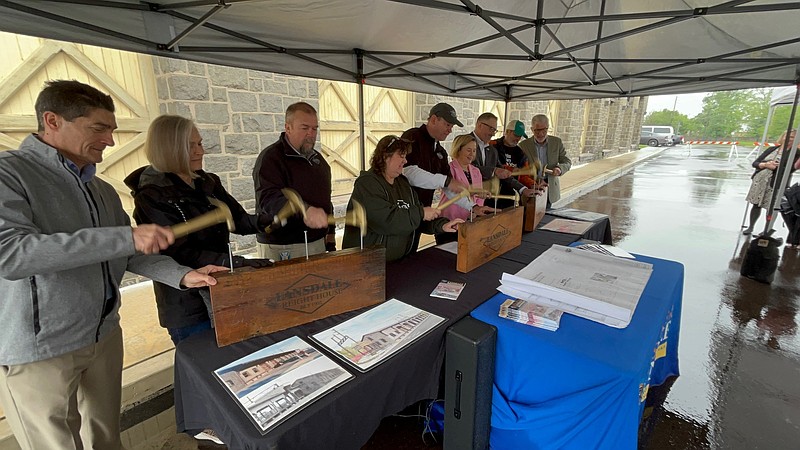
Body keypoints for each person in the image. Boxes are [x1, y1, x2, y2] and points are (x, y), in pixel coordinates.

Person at [0, 80, 223, 450]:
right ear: (52, 121)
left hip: (104, 336)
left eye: (112, 130)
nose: (110, 141)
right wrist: (124, 237)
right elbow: (11, 254)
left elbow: (130, 252)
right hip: (42, 350)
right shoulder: (10, 174)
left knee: (106, 438)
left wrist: (184, 275)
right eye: (98, 128)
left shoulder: (100, 189)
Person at [125, 115, 273, 345]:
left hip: (221, 291)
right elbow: (179, 253)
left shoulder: (208, 182)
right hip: (186, 303)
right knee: (205, 362)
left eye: (200, 143)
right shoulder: (151, 195)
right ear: (168, 148)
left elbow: (240, 220)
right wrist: (233, 262)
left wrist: (274, 219)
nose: (200, 151)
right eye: (190, 146)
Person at [342, 135, 463, 261]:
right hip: (368, 266)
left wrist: (442, 225)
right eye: (401, 156)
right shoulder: (367, 184)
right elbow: (386, 220)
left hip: (401, 263)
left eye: (405, 156)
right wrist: (421, 213)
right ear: (385, 156)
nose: (405, 161)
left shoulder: (403, 184)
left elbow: (418, 219)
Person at [253, 102, 335, 260]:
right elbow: (269, 200)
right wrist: (304, 210)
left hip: (317, 243)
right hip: (282, 246)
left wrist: (330, 237)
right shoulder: (270, 159)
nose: (311, 134)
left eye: (315, 128)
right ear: (288, 127)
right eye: (305, 128)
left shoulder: (319, 161)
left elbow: (326, 202)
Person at [401, 102, 470, 251]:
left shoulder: (440, 152)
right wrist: (446, 180)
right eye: (447, 125)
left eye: (451, 127)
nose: (450, 130)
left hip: (423, 214)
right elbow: (408, 172)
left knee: (411, 253)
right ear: (433, 120)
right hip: (404, 212)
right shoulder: (413, 136)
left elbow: (450, 188)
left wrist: (473, 207)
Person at [436, 134, 496, 244]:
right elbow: (454, 191)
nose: (472, 154)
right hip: (449, 220)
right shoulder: (448, 168)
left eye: (474, 151)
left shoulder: (476, 171)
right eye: (468, 150)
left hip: (469, 222)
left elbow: (479, 198)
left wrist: (476, 210)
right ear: (458, 150)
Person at [744, 130, 800, 235]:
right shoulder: (772, 149)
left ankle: (767, 229)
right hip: (760, 182)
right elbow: (755, 163)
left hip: (777, 183)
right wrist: (765, 165)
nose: (788, 138)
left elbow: (792, 168)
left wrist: (776, 167)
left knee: (771, 206)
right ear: (782, 136)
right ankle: (751, 227)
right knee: (756, 204)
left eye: (792, 137)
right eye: (787, 136)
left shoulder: (796, 153)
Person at [518, 114, 572, 208]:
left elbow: (567, 161)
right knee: (528, 216)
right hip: (530, 186)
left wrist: (559, 169)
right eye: (537, 130)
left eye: (544, 130)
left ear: (548, 128)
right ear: (531, 129)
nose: (541, 134)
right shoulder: (523, 145)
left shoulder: (556, 142)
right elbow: (520, 169)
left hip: (549, 187)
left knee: (546, 216)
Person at [492, 119, 539, 207]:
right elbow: (490, 166)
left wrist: (533, 185)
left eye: (520, 136)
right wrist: (511, 169)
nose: (517, 139)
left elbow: (524, 176)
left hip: (511, 194)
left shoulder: (521, 153)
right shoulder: (492, 145)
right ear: (507, 132)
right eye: (516, 135)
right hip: (491, 193)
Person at [471, 112, 512, 181]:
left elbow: (502, 172)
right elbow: (466, 168)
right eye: (491, 129)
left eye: (495, 130)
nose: (493, 134)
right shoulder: (463, 141)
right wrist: (494, 170)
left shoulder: (493, 150)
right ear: (479, 125)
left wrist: (523, 189)